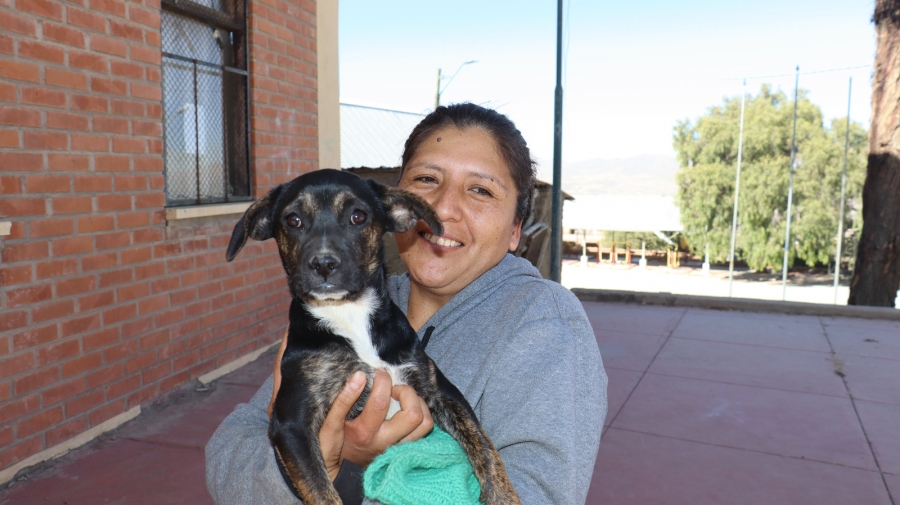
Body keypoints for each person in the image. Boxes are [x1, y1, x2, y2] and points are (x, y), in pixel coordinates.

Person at [205, 103, 608, 505]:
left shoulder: (544, 323)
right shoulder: (329, 316)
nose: (445, 208)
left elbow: (536, 495)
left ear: (516, 228)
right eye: (428, 179)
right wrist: (328, 464)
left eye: (480, 190)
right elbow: (228, 455)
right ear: (399, 207)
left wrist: (354, 465)